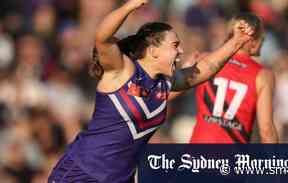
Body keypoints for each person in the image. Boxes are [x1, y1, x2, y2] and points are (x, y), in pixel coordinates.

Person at [48, 0, 254, 182]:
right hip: (83, 174)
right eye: (175, 45)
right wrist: (130, 5)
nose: (180, 51)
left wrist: (236, 41)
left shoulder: (163, 85)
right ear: (154, 51)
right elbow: (102, 37)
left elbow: (206, 68)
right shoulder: (122, 70)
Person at [190, 13, 279, 144]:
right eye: (262, 38)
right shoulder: (263, 75)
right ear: (252, 41)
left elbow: (168, 93)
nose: (263, 42)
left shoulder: (204, 59)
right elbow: (266, 130)